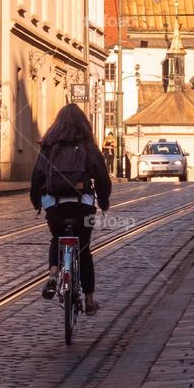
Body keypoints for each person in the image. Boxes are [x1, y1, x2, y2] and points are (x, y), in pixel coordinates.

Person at [30, 103, 112, 315]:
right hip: (82, 207)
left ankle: (53, 275)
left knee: (57, 239)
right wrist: (103, 202)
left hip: (55, 206)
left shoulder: (49, 145)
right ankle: (90, 300)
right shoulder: (87, 146)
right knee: (84, 250)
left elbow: (37, 176)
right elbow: (102, 177)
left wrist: (37, 202)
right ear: (84, 124)